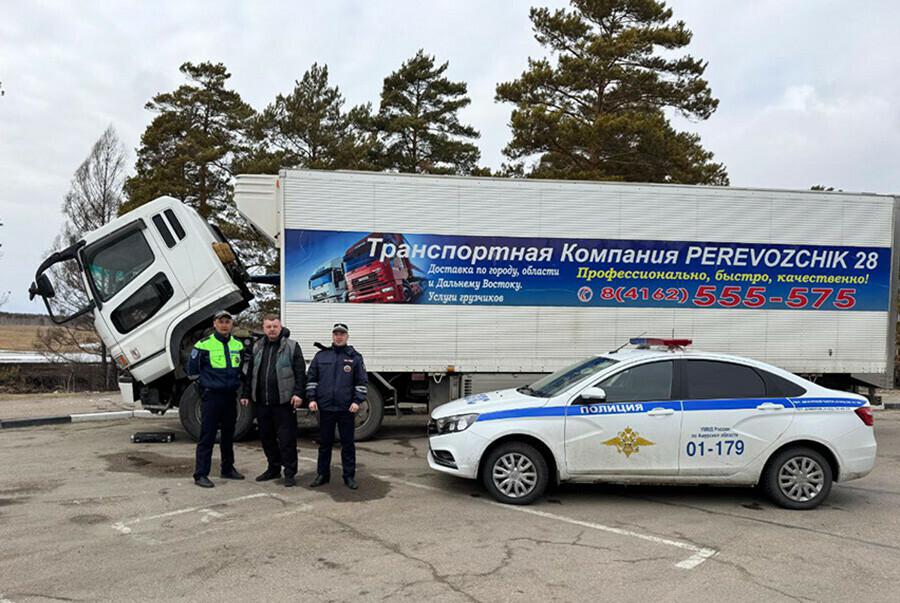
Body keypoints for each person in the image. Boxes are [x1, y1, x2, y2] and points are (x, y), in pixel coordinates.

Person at [240, 315, 306, 487]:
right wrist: (246, 394)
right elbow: (250, 373)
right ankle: (273, 468)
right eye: (268, 326)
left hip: (284, 403)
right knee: (266, 438)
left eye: (275, 326)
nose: (272, 329)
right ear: (264, 328)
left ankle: (290, 473)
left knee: (287, 440)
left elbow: (300, 373)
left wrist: (298, 393)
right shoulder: (257, 346)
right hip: (262, 403)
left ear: (280, 327)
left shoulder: (292, 346)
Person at [188, 310, 246, 488]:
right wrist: (204, 390)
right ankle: (201, 474)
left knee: (228, 435)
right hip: (211, 397)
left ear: (231, 324)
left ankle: (227, 468)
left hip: (230, 397)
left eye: (227, 321)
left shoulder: (238, 345)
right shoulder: (203, 345)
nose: (224, 325)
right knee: (207, 436)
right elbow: (192, 371)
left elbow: (241, 370)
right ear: (214, 324)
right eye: (221, 322)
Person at [306, 323, 367, 490]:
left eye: (342, 334)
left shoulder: (355, 357)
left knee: (347, 444)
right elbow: (312, 379)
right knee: (325, 444)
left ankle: (349, 476)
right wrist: (311, 399)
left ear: (347, 336)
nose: (339, 337)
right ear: (332, 336)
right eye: (336, 334)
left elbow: (361, 382)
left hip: (346, 408)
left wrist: (357, 401)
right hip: (325, 408)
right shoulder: (321, 356)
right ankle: (322, 475)